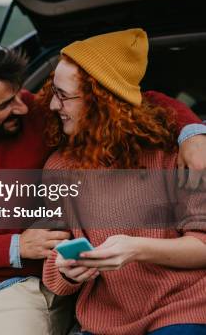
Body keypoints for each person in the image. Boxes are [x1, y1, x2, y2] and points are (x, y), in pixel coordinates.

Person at [0, 38, 206, 335]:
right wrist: (31, 253)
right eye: (6, 104)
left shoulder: (39, 116)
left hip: (35, 289)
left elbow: (138, 99)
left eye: (19, 94)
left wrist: (192, 132)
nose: (27, 106)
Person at [41, 28, 206, 335]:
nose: (52, 105)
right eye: (53, 92)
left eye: (63, 96)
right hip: (107, 322)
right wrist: (67, 272)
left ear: (102, 101)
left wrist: (137, 249)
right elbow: (54, 271)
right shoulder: (58, 167)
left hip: (185, 310)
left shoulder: (178, 155)